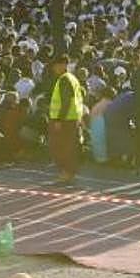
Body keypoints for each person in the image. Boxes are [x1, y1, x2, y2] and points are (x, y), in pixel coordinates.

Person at [47, 54, 84, 184]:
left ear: (63, 65)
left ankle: (66, 173)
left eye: (56, 65)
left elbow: (66, 101)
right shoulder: (73, 78)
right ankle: (69, 173)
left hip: (65, 120)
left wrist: (58, 120)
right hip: (73, 118)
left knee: (60, 147)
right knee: (69, 147)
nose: (54, 69)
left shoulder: (64, 79)